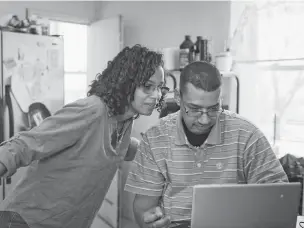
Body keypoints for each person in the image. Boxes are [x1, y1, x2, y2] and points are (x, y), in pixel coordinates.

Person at [0, 44, 166, 228]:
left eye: (159, 87)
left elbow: (118, 148)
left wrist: (155, 151)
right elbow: (23, 145)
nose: (156, 95)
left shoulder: (125, 121)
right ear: (127, 83)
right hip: (25, 221)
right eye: (148, 87)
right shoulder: (92, 110)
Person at [124, 61, 288, 228]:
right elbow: (143, 210)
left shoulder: (247, 135)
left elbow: (280, 197)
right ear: (178, 98)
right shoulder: (155, 138)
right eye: (194, 109)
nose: (204, 120)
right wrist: (151, 222)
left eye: (213, 108)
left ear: (220, 98)